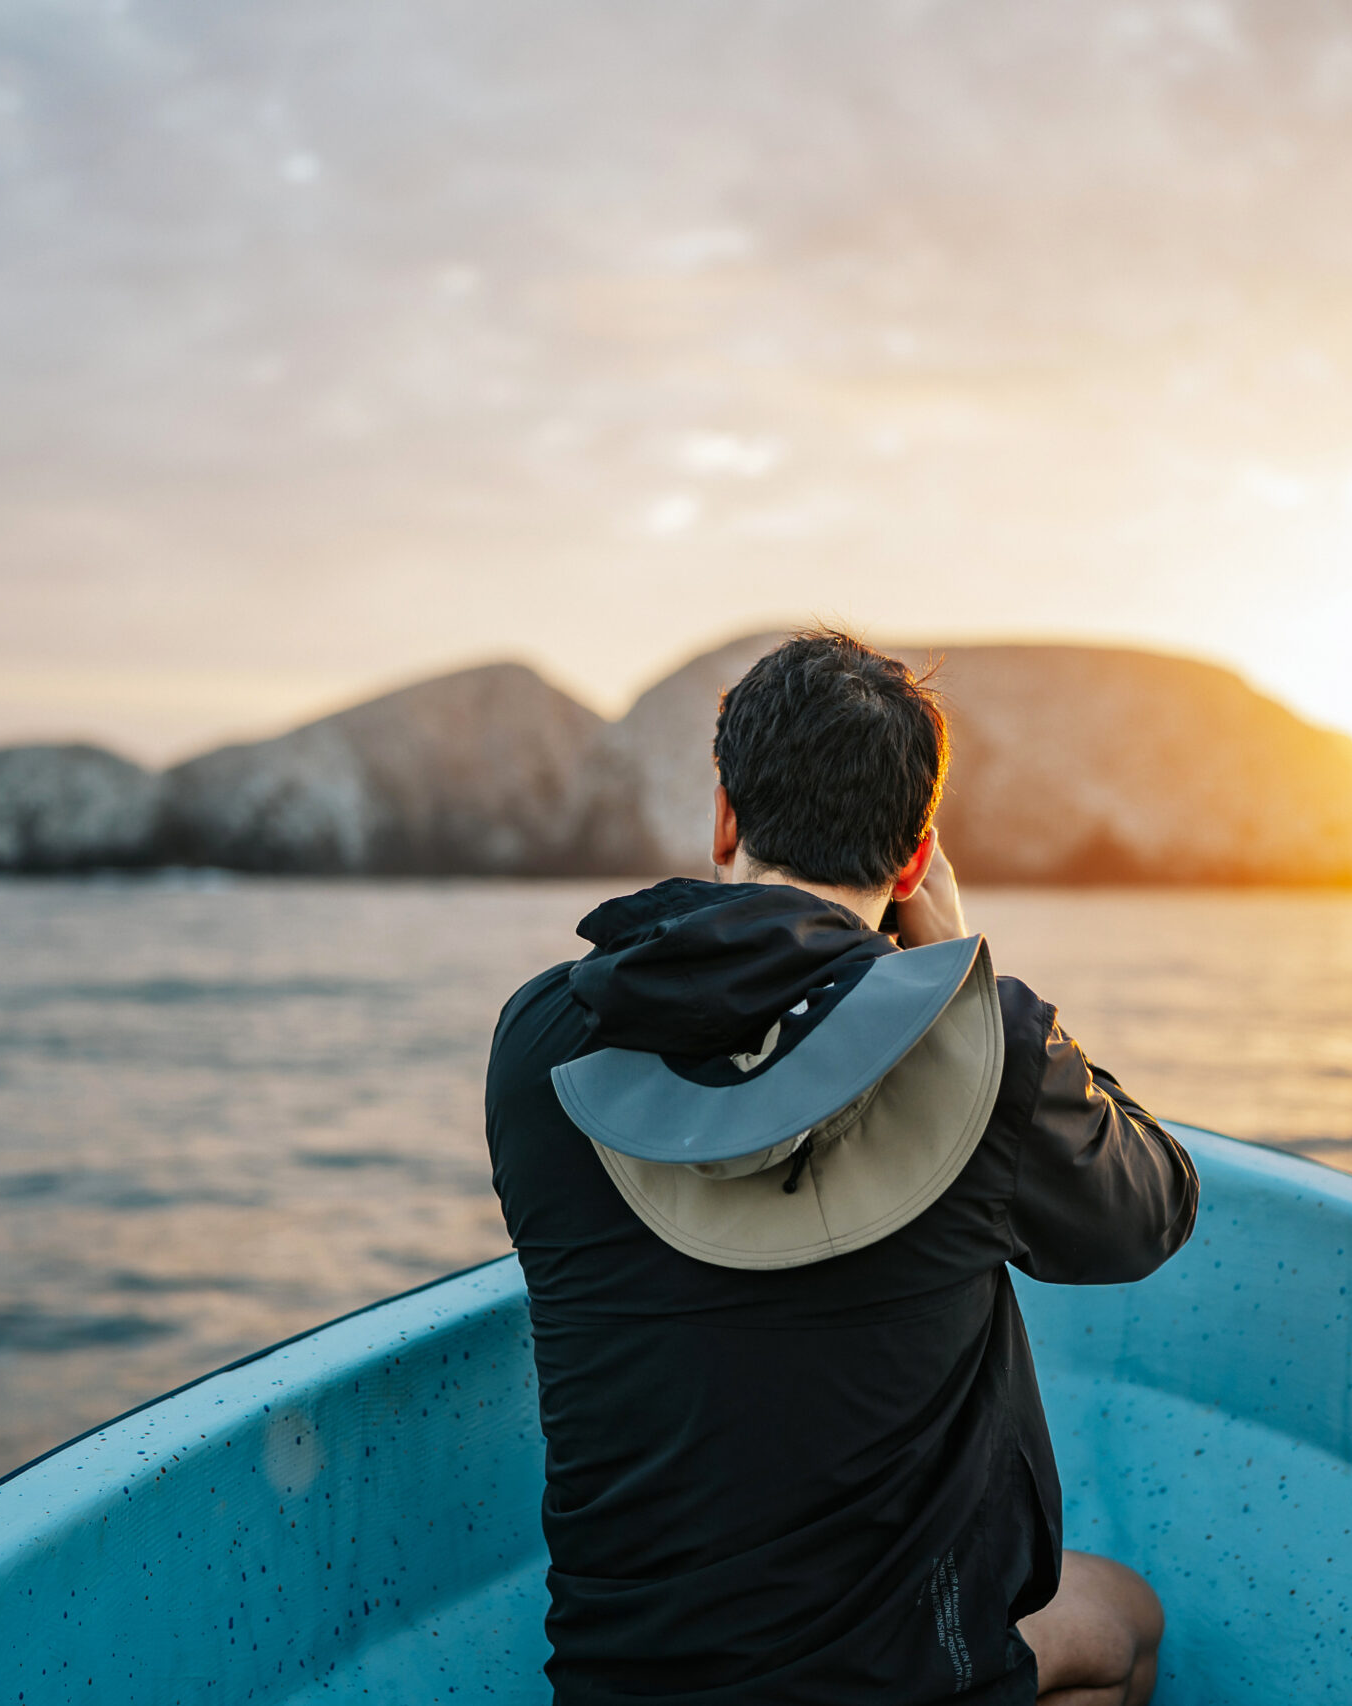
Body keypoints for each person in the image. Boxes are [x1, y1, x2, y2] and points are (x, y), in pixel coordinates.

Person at [486, 629, 1198, 1705]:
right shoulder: (983, 1049)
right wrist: (958, 965)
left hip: (619, 1684)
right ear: (914, 859)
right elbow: (1151, 1209)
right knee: (1125, 1618)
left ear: (725, 816)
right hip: (898, 1682)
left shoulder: (540, 1034)